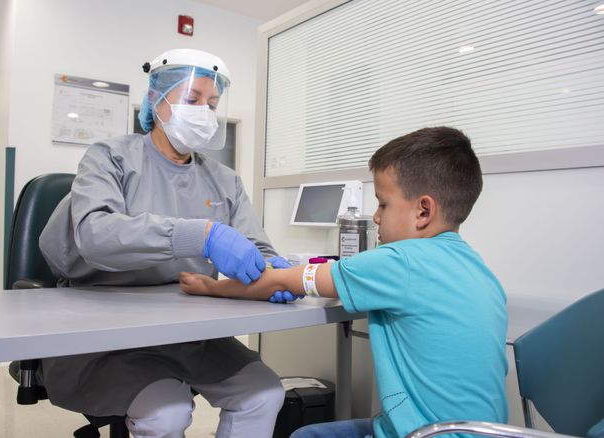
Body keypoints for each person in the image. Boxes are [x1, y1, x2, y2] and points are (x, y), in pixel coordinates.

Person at [180, 126, 509, 438]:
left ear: (423, 212)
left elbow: (280, 281)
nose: (376, 216)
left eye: (383, 203)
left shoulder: (399, 261)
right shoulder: (479, 269)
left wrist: (210, 286)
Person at [38, 48, 287, 437]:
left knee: (265, 393)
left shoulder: (225, 181)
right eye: (192, 99)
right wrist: (201, 235)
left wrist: (278, 273)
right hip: (106, 333)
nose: (204, 112)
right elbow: (94, 234)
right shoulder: (110, 158)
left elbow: (258, 248)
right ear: (156, 99)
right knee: (167, 411)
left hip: (188, 333)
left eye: (212, 104)